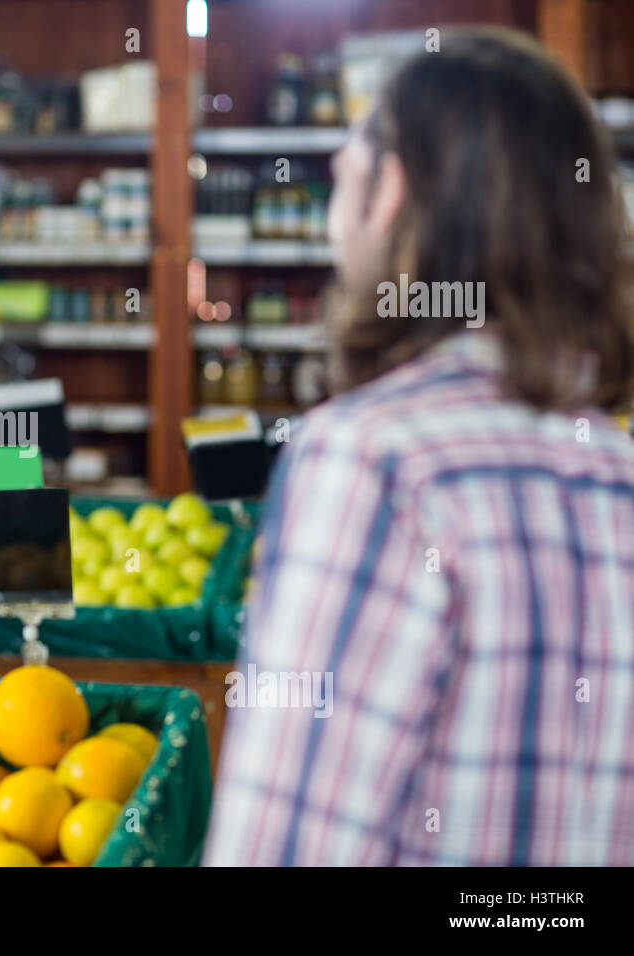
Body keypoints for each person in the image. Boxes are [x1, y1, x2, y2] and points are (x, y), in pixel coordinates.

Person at [204, 28, 634, 865]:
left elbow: (290, 843)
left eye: (345, 173)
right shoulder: (618, 472)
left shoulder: (371, 462)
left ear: (391, 191)